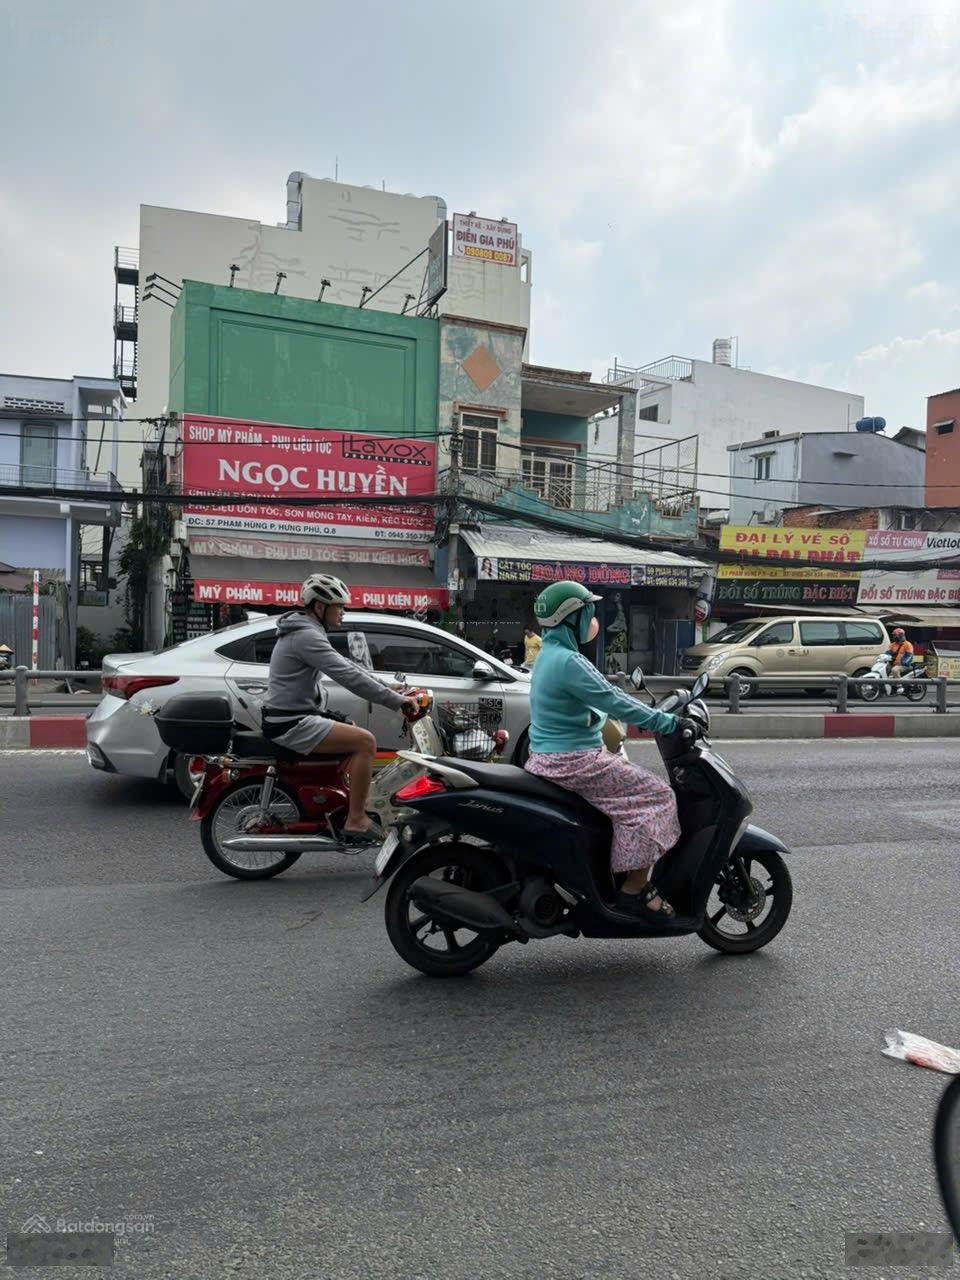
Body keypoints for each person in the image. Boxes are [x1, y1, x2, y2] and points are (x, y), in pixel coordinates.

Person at [524, 580, 684, 921]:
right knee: (659, 796)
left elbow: (598, 701)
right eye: (588, 611)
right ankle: (634, 889)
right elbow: (615, 700)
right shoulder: (569, 662)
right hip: (575, 761)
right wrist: (666, 722)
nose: (594, 618)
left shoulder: (547, 655)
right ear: (572, 618)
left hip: (549, 758)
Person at [263, 573, 419, 844]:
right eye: (340, 607)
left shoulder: (307, 631)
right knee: (365, 742)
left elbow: (351, 667)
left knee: (353, 732)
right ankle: (356, 819)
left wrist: (391, 689)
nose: (343, 613)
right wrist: (397, 702)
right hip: (291, 721)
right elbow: (348, 677)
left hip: (293, 715)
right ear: (320, 608)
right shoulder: (306, 636)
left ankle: (343, 800)